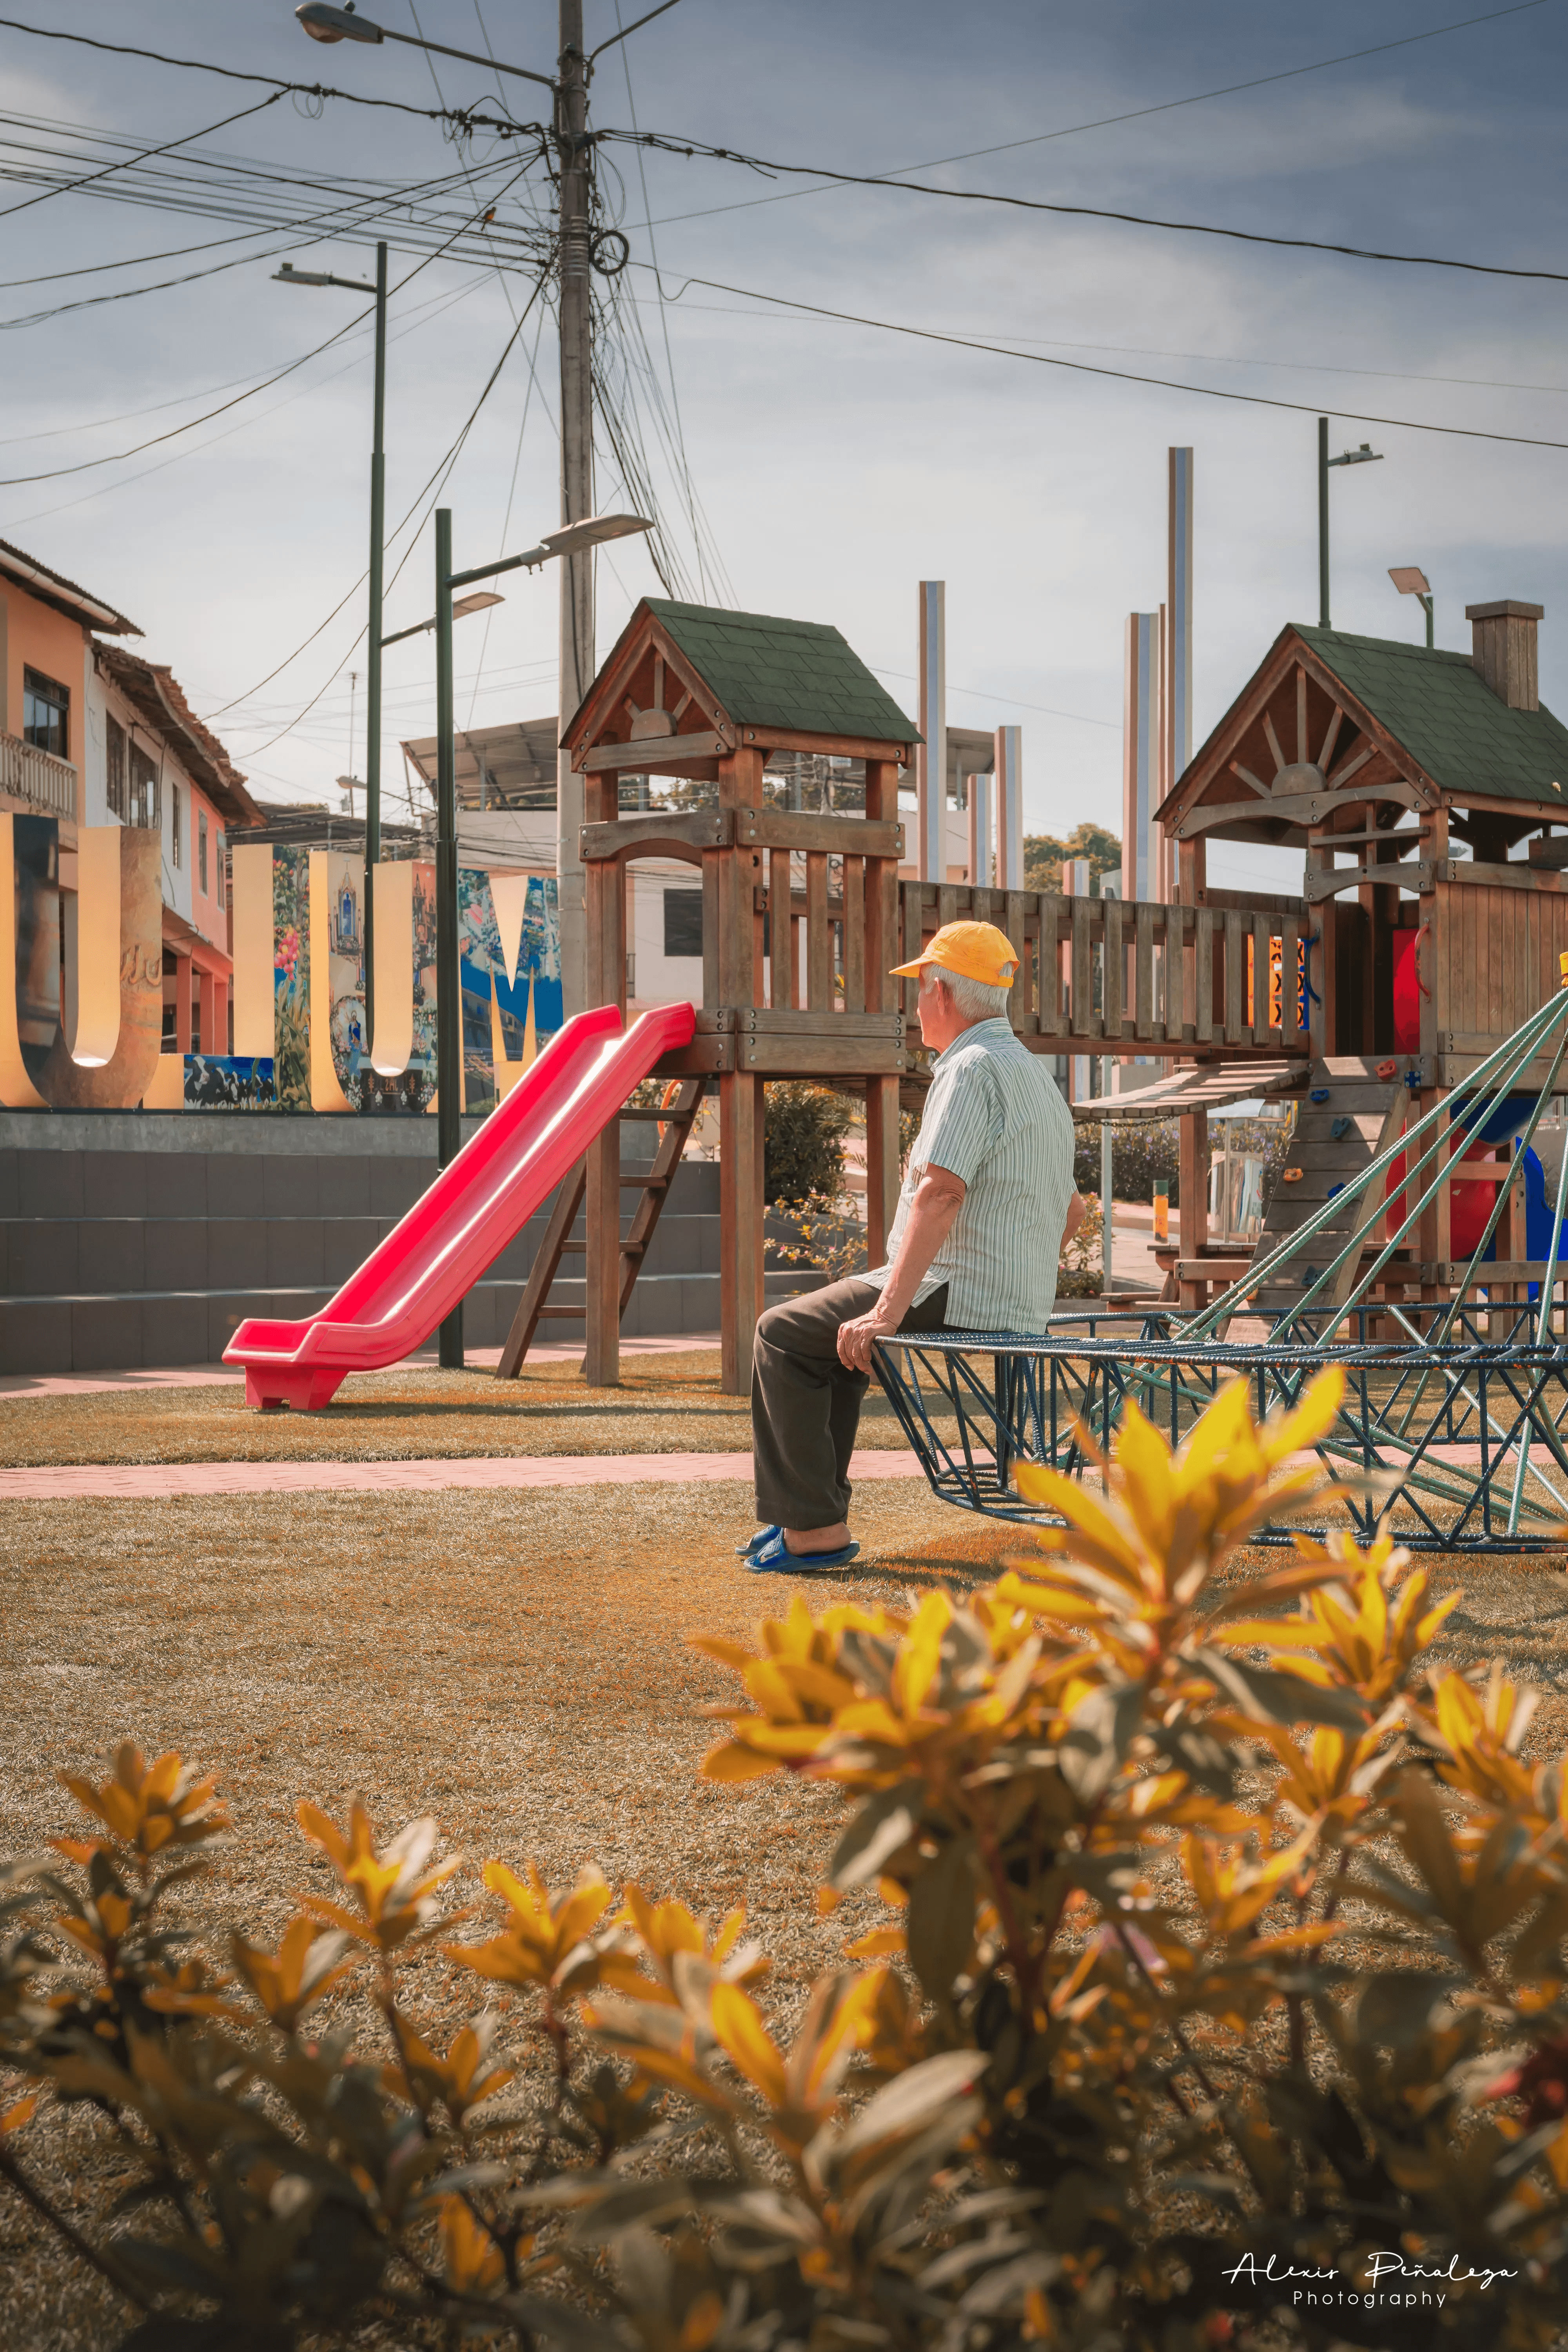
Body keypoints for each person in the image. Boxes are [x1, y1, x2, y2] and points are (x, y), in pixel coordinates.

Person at [743, 920, 1085, 1574]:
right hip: (1010, 1298)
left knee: (782, 1333)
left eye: (919, 992)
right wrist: (1023, 1280)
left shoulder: (970, 1069)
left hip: (958, 1290)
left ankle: (813, 1530)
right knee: (829, 1343)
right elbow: (1071, 1208)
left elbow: (941, 1194)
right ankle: (811, 1520)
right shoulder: (1038, 1079)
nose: (916, 1008)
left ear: (943, 995)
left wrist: (888, 1313)